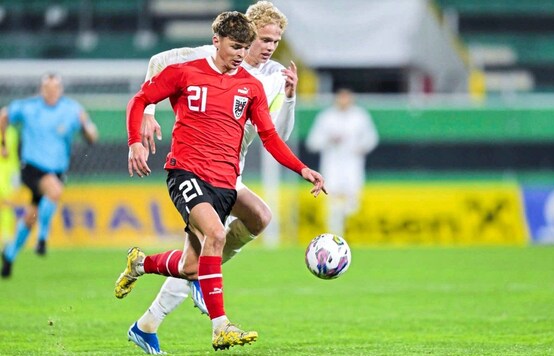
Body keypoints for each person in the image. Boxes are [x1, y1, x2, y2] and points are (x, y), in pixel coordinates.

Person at [115, 11, 326, 352]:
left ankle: (145, 271)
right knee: (214, 234)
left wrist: (301, 167)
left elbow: (273, 136)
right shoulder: (190, 65)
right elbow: (144, 90)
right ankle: (220, 325)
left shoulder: (262, 81)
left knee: (198, 258)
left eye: (274, 41)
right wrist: (140, 132)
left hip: (228, 176)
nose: (262, 49)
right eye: (259, 41)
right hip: (187, 170)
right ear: (227, 39)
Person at [0, 73, 99, 278]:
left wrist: (86, 126)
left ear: (60, 90)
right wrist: (3, 144)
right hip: (32, 167)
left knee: (31, 214)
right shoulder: (29, 107)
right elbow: (4, 116)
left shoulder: (72, 110)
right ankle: (42, 239)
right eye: (47, 88)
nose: (51, 92)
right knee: (54, 190)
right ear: (41, 89)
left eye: (55, 88)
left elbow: (92, 136)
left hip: (56, 170)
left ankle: (9, 254)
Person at [306, 88, 378, 236]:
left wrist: (360, 147)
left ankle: (352, 233)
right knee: (332, 202)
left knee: (352, 203)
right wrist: (329, 139)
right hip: (332, 166)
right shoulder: (326, 117)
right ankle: (333, 236)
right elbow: (312, 142)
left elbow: (371, 138)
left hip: (353, 166)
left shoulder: (360, 116)